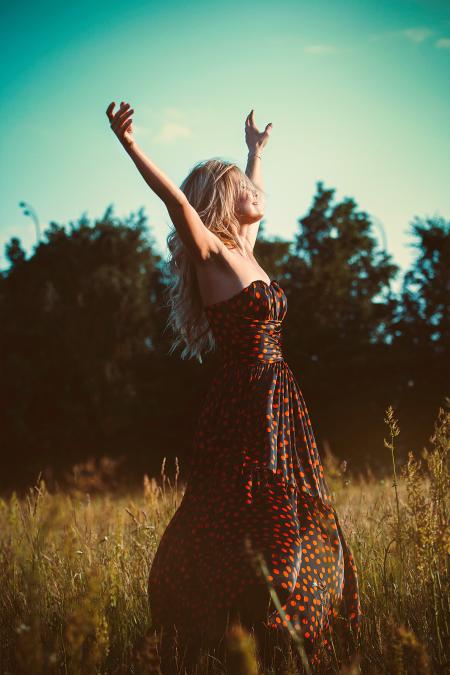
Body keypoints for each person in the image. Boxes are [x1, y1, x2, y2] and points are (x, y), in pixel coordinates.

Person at [106, 101, 362, 672]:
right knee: (243, 507)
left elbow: (257, 203)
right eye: (241, 183)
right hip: (246, 396)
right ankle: (226, 622)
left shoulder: (246, 249)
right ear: (222, 198)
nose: (253, 189)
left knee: (291, 506)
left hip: (279, 397)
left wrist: (255, 152)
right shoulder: (212, 254)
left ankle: (287, 619)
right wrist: (130, 146)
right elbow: (176, 201)